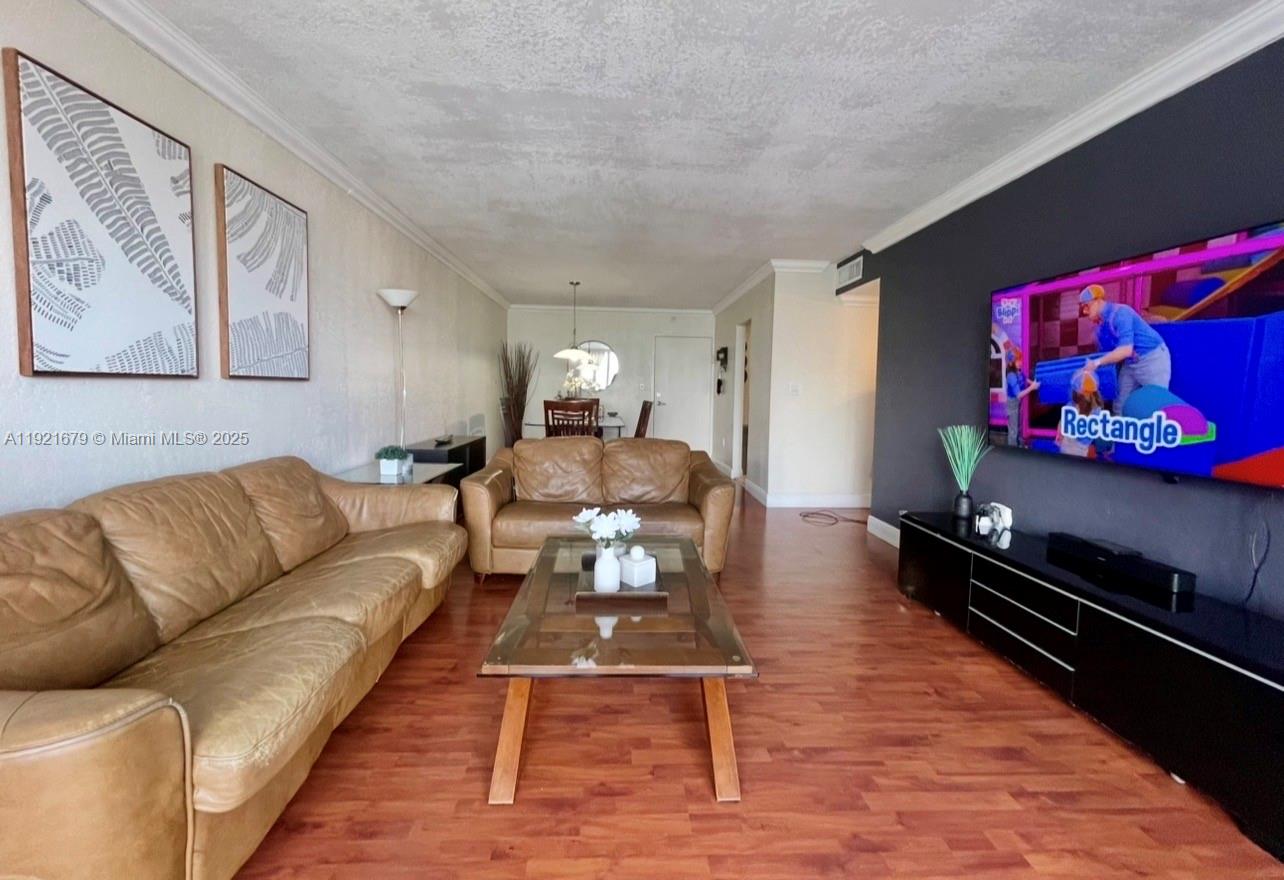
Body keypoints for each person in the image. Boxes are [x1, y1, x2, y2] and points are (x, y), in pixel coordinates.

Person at [1078, 284, 1171, 415]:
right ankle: (1119, 432)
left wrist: (1096, 363)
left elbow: (1126, 350)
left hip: (1151, 358)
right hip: (1130, 363)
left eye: (1086, 306)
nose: (1084, 312)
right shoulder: (1102, 325)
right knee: (1120, 403)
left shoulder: (1121, 312)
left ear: (1098, 301)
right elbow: (1109, 352)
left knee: (1158, 405)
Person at [1003, 349, 1039, 447]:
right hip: (1012, 403)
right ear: (1011, 363)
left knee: (1019, 425)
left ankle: (1019, 445)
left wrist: (1032, 383)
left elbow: (1024, 378)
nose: (1021, 363)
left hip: (1018, 402)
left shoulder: (1017, 371)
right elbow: (1018, 394)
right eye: (1018, 361)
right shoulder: (1011, 375)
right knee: (1013, 429)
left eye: (1021, 360)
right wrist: (1032, 388)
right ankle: (1013, 449)